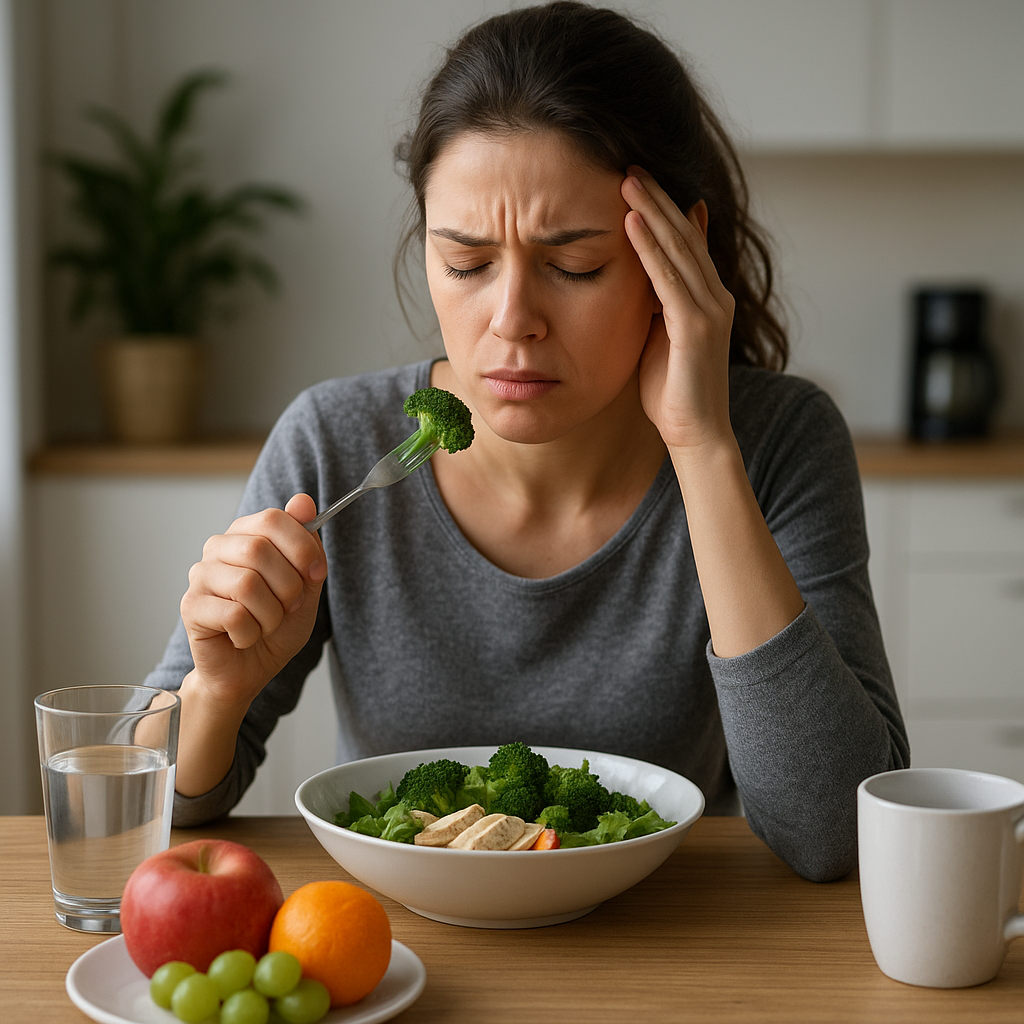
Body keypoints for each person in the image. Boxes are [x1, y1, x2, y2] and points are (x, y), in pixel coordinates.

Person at [146, 1, 908, 881]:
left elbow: (837, 835)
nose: (512, 323)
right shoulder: (335, 442)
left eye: (573, 267)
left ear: (678, 253)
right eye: (466, 263)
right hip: (399, 963)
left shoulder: (778, 440)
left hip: (673, 959)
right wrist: (217, 693)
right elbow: (140, 800)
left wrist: (702, 448)